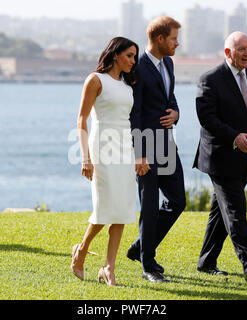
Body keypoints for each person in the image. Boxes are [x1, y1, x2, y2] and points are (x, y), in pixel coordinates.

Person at [193, 31, 247, 284]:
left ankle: (206, 262)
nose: (246, 53)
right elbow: (207, 118)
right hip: (220, 157)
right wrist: (234, 137)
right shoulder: (210, 79)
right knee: (235, 211)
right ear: (228, 53)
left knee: (220, 211)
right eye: (241, 49)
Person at [71, 37, 142, 286]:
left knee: (122, 209)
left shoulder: (127, 86)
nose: (134, 61)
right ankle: (80, 251)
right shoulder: (95, 80)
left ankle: (108, 268)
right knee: (103, 209)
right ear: (115, 55)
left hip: (124, 147)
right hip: (101, 147)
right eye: (129, 55)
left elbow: (130, 123)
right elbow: (81, 120)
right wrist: (85, 158)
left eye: (135, 56)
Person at [127, 16, 186, 283]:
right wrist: (139, 153)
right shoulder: (137, 67)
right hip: (145, 144)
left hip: (166, 142)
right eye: (174, 38)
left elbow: (169, 98)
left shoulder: (169, 63)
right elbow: (134, 112)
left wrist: (176, 113)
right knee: (149, 205)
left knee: (177, 201)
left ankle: (140, 247)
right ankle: (148, 264)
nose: (178, 43)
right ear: (160, 39)